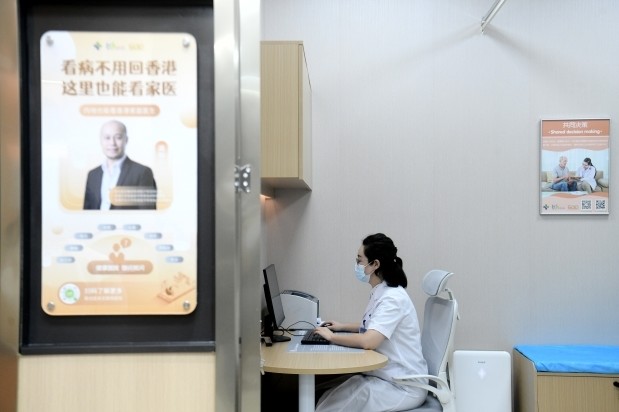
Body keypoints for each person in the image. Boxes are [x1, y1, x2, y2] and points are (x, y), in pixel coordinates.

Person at [313, 233, 428, 412]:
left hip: (403, 386)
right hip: (385, 376)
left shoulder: (393, 299)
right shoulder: (382, 291)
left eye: (359, 260)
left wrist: (332, 337)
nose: (357, 265)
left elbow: (369, 341)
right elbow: (373, 326)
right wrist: (342, 326)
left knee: (327, 408)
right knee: (326, 397)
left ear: (375, 264)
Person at [83, 120, 157, 210]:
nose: (112, 143)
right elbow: (86, 212)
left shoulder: (142, 173)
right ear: (101, 141)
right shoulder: (92, 175)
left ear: (126, 140)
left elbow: (147, 213)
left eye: (118, 137)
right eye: (107, 138)